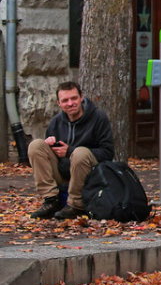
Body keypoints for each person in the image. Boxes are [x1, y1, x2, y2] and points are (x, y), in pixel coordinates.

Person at [27, 81, 116, 220]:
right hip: (62, 172)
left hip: (90, 175)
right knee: (36, 145)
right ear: (59, 103)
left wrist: (70, 151)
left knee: (80, 152)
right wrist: (49, 145)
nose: (70, 103)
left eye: (74, 98)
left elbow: (108, 153)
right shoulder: (55, 122)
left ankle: (76, 206)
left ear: (81, 97)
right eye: (65, 100)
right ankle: (51, 201)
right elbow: (49, 155)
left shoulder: (98, 118)